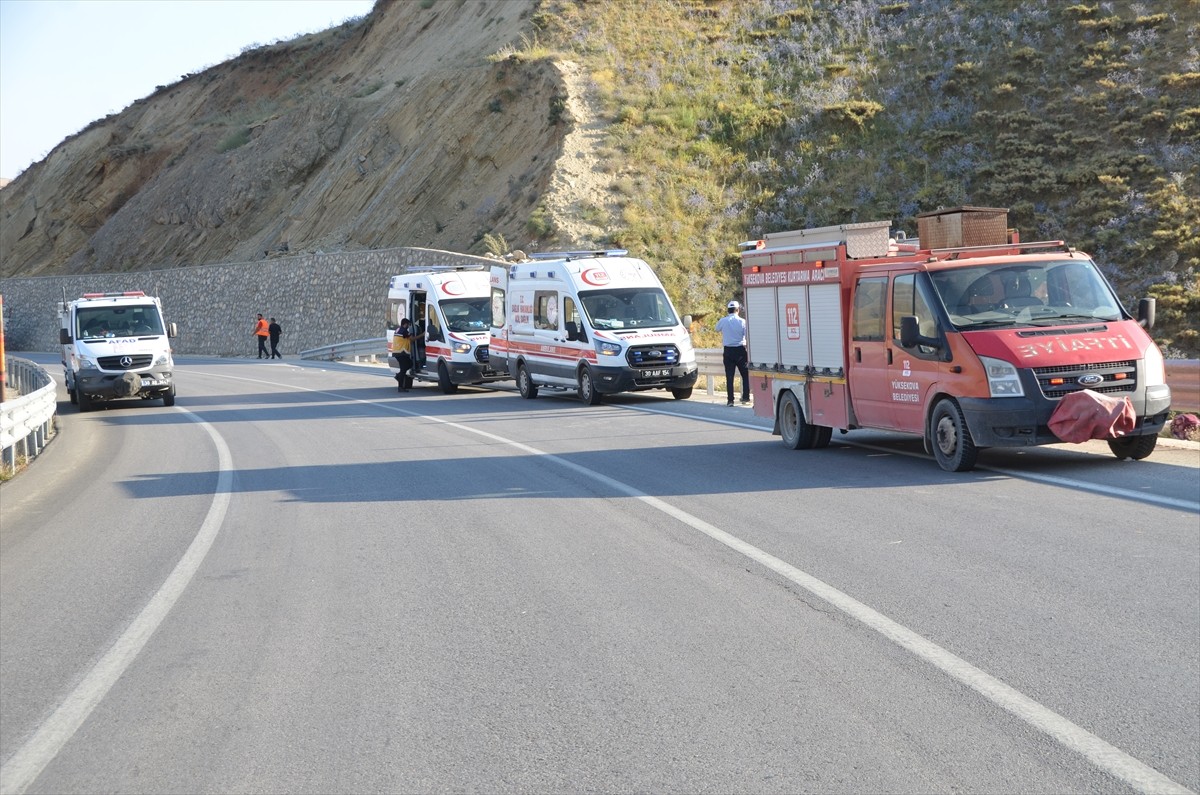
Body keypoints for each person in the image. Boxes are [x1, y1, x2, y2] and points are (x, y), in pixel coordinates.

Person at [716, 299, 751, 407]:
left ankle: (730, 400)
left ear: (728, 310)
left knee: (729, 376)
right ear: (738, 310)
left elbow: (717, 329)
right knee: (745, 375)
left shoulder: (723, 321)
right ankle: (745, 397)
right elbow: (747, 336)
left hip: (728, 351)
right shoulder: (742, 321)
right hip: (740, 350)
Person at [392, 318, 414, 392]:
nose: (408, 326)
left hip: (396, 352)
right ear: (405, 324)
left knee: (409, 365)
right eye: (408, 324)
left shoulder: (398, 329)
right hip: (401, 352)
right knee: (403, 370)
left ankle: (399, 376)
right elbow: (412, 339)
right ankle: (400, 387)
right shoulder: (404, 331)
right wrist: (422, 335)